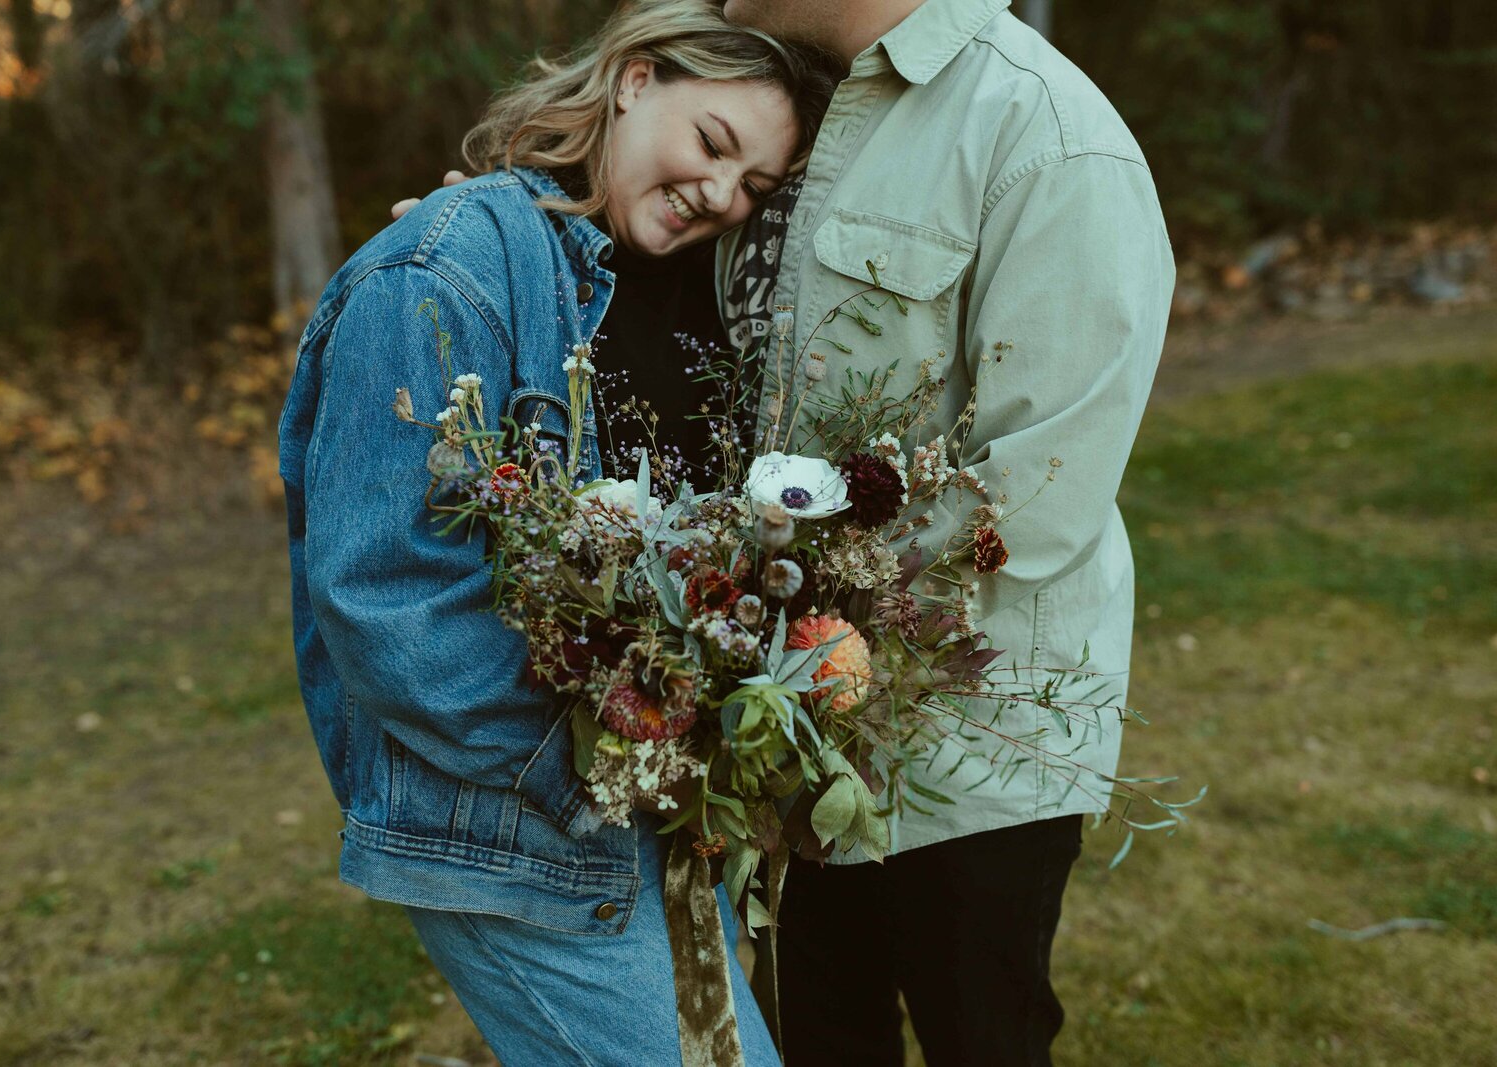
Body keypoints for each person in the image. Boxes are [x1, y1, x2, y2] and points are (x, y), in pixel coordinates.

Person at [276, 2, 835, 1062]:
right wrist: (605, 765)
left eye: (752, 187)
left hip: (647, 814)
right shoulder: (439, 271)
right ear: (633, 79)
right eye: (712, 143)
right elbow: (387, 597)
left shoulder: (677, 283)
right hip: (519, 826)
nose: (720, 194)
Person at [711, 1, 1176, 1064]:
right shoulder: (759, 92)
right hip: (779, 721)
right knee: (814, 1036)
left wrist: (805, 622)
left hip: (967, 745)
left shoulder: (1050, 136)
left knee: (984, 1038)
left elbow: (1038, 485)